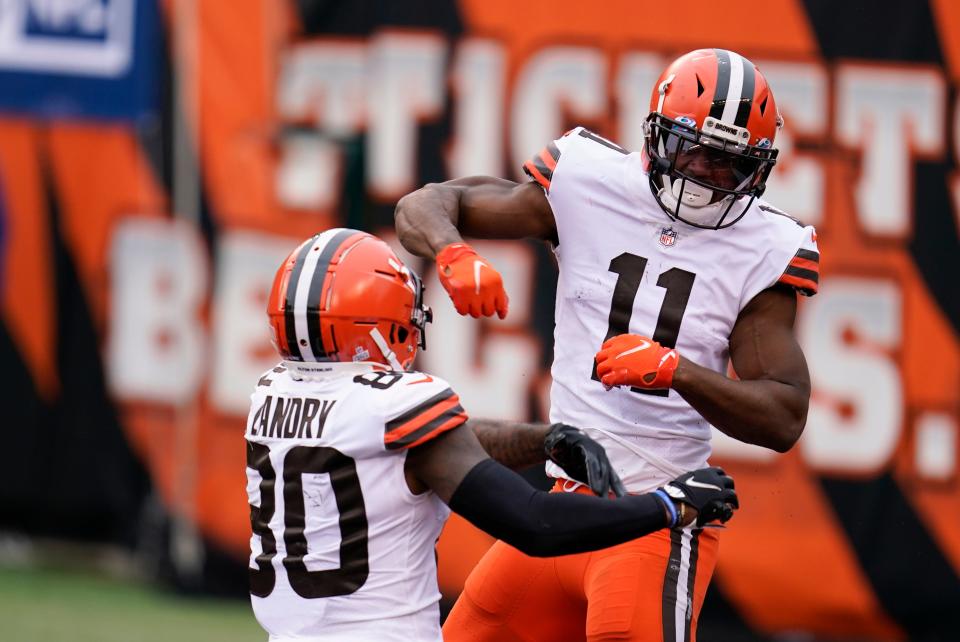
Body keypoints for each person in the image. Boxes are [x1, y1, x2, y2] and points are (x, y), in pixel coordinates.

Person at [395, 48, 819, 641]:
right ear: (656, 134)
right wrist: (451, 251)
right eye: (693, 149)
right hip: (566, 503)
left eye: (728, 165)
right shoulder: (589, 180)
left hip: (661, 515)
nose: (704, 175)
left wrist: (679, 372)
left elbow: (784, 416)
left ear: (758, 169)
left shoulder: (764, 245)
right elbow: (427, 203)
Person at [244, 228, 739, 642]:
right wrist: (668, 505)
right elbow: (533, 522)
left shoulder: (270, 395)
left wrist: (545, 440)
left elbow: (424, 441)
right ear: (379, 323)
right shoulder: (398, 406)